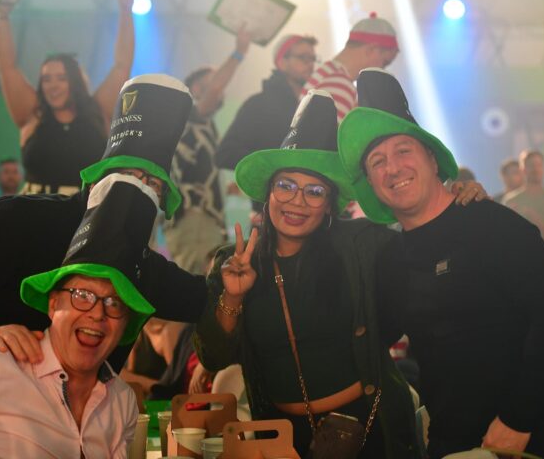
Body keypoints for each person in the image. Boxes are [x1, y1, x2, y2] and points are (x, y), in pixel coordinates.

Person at [0, 75, 206, 376]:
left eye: (153, 186)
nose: (140, 190)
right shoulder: (24, 217)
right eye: (129, 177)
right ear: (96, 181)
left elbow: (208, 297)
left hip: (49, 408)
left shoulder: (143, 267)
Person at [337, 68, 544, 458]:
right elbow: (366, 337)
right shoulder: (390, 258)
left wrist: (518, 420)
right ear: (371, 182)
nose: (393, 168)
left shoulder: (493, 224)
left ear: (432, 159)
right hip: (450, 442)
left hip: (528, 438)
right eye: (377, 161)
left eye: (403, 150)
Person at [194, 90, 420, 458]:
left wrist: (457, 200)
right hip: (282, 439)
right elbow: (213, 357)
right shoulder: (234, 261)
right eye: (285, 186)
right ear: (268, 194)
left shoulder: (360, 244)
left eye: (314, 191)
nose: (297, 201)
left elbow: (421, 238)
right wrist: (233, 295)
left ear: (330, 204)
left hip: (368, 427)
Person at [0, 164, 164, 457]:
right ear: (53, 303)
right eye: (82, 296)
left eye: (114, 304)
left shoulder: (121, 402)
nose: (98, 313)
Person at [0, 0, 136, 194]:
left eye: (61, 78)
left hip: (85, 210)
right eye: (46, 79)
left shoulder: (98, 111)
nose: (53, 86)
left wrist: (126, 9)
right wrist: (3, 16)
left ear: (75, 81)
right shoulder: (33, 114)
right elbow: (7, 67)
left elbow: (122, 65)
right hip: (35, 209)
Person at [163, 28, 251, 274]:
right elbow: (214, 90)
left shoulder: (203, 126)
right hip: (194, 215)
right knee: (198, 280)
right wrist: (239, 52)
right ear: (195, 87)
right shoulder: (189, 113)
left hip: (204, 217)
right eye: (212, 83)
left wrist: (224, 190)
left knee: (210, 282)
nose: (219, 90)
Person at [216, 34, 318, 169]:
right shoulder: (258, 104)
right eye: (303, 57)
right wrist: (273, 166)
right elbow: (225, 154)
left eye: (313, 59)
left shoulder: (313, 108)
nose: (310, 64)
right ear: (282, 63)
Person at [302, 12, 399, 122]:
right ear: (371, 50)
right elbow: (330, 133)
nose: (382, 69)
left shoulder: (327, 72)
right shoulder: (340, 83)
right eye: (385, 62)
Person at [503, 149, 544, 256]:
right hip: (521, 259)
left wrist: (534, 218)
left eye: (539, 165)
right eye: (531, 165)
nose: (535, 169)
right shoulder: (510, 200)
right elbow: (506, 238)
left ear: (543, 167)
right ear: (522, 169)